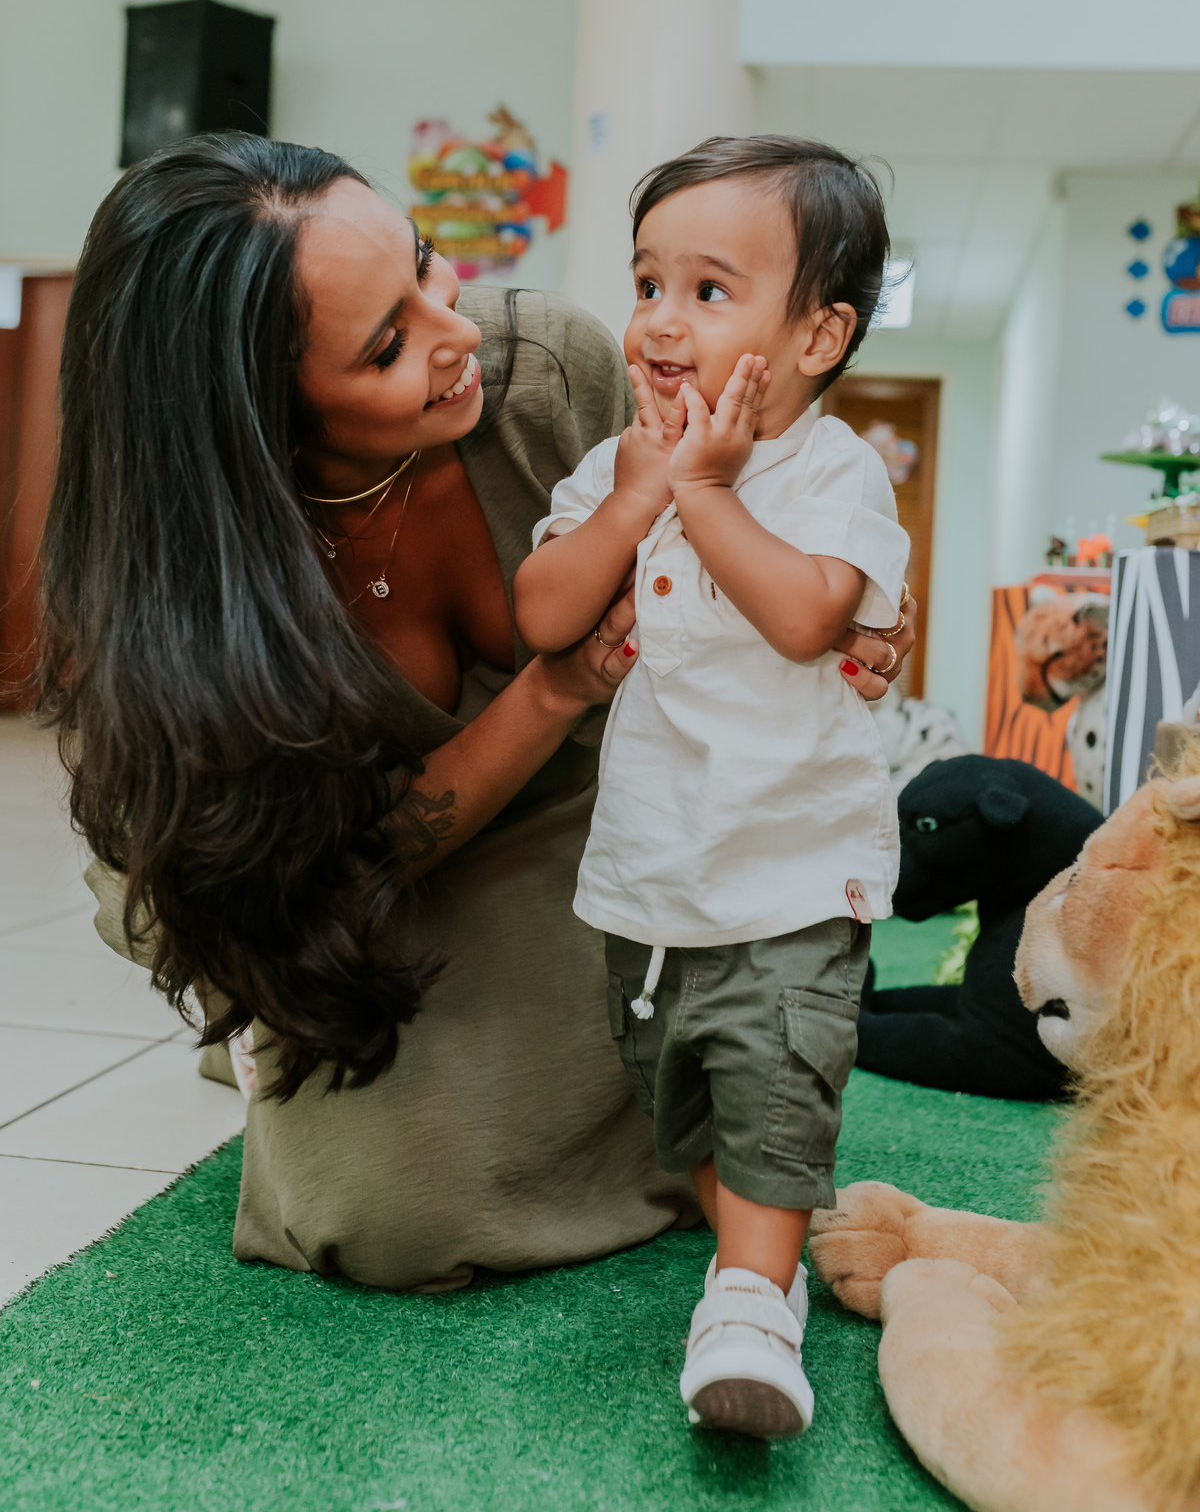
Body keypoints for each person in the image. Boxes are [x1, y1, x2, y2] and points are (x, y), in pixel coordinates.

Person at [39, 131, 914, 1293]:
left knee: (725, 1031)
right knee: (387, 1210)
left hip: (629, 816)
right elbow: (290, 882)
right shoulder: (183, 610)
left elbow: (751, 541)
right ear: (261, 421)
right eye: (390, 342)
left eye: (427, 261)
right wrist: (553, 689)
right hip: (370, 893)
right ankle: (302, 1034)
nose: (457, 334)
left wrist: (847, 627)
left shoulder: (543, 370)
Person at [514, 136, 910, 1439]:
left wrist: (707, 488)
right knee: (676, 1079)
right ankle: (748, 1243)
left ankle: (753, 1295)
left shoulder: (834, 471)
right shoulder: (622, 466)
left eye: (708, 288)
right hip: (649, 877)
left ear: (816, 333)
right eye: (647, 282)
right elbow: (544, 608)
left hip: (793, 870)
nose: (660, 321)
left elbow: (807, 617)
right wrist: (640, 498)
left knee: (775, 1069)